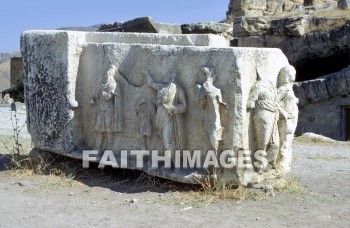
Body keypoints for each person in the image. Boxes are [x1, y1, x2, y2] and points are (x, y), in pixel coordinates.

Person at [247, 74, 288, 170]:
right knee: (263, 143)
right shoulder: (258, 85)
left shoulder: (272, 87)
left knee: (275, 143)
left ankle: (267, 165)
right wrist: (250, 103)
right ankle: (259, 167)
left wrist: (283, 112)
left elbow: (275, 103)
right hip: (262, 115)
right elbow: (252, 99)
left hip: (273, 115)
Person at [146, 71, 187, 163]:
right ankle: (169, 162)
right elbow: (151, 83)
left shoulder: (178, 89)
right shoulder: (162, 87)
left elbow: (184, 107)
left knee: (168, 141)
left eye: (173, 75)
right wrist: (146, 73)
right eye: (170, 74)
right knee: (165, 141)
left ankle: (175, 163)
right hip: (160, 119)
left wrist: (173, 108)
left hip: (170, 118)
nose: (171, 76)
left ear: (176, 77)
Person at [91, 65, 122, 152]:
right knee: (99, 129)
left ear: (112, 74)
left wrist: (102, 92)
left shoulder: (113, 84)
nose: (107, 74)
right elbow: (97, 95)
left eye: (109, 72)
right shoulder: (102, 83)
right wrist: (94, 98)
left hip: (108, 110)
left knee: (109, 130)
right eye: (107, 72)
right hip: (101, 109)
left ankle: (109, 149)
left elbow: (108, 96)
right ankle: (97, 148)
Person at [196, 67, 226, 152]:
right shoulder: (211, 90)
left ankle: (216, 154)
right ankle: (215, 154)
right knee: (212, 132)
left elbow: (203, 103)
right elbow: (203, 104)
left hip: (213, 114)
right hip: (211, 114)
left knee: (213, 132)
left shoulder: (213, 90)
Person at [276, 65, 299, 172]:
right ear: (287, 74)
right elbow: (274, 101)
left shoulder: (290, 88)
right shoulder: (284, 88)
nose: (294, 75)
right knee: (284, 141)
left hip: (293, 117)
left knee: (288, 141)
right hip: (286, 118)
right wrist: (283, 112)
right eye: (292, 73)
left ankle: (283, 163)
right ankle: (279, 164)